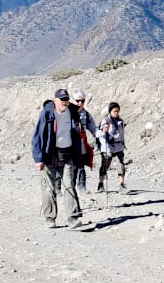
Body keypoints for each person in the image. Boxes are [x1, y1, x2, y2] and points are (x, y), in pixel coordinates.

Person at [31, 88, 90, 229]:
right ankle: (50, 218)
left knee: (69, 185)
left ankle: (73, 218)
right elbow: (37, 136)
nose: (65, 102)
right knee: (49, 188)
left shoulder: (73, 112)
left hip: (68, 154)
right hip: (50, 155)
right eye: (62, 99)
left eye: (67, 99)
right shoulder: (47, 113)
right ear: (55, 100)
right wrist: (38, 159)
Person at [96, 102, 127, 192]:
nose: (116, 113)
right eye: (114, 111)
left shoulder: (120, 121)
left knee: (121, 165)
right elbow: (101, 135)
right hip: (108, 147)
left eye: (118, 111)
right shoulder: (105, 121)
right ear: (110, 111)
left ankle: (122, 184)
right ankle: (101, 184)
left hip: (118, 147)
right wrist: (104, 131)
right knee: (105, 166)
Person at [70, 90, 97, 193]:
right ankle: (65, 187)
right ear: (73, 101)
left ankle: (81, 186)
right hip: (68, 143)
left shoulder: (86, 114)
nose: (80, 103)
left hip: (81, 142)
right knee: (68, 166)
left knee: (80, 164)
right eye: (77, 101)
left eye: (82, 101)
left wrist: (101, 136)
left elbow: (93, 128)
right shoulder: (66, 113)